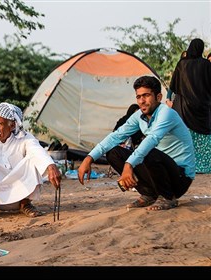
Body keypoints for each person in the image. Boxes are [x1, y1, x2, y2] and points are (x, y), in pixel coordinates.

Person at [78, 76, 195, 211]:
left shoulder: (167, 113)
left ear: (158, 97)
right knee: (113, 152)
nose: (142, 101)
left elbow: (152, 139)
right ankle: (148, 194)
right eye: (138, 97)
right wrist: (89, 158)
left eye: (146, 96)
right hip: (158, 173)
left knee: (147, 150)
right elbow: (115, 136)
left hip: (180, 177)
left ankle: (168, 197)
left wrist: (129, 165)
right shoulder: (139, 116)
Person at [0, 102, 62, 220]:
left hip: (20, 193)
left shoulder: (25, 138)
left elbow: (37, 150)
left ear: (12, 126)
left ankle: (25, 204)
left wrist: (51, 166)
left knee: (34, 159)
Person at [168, 38, 211, 174]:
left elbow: (174, 86)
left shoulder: (182, 64)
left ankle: (184, 163)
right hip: (202, 109)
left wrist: (169, 99)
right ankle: (203, 166)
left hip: (183, 109)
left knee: (184, 138)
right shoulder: (206, 65)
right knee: (203, 138)